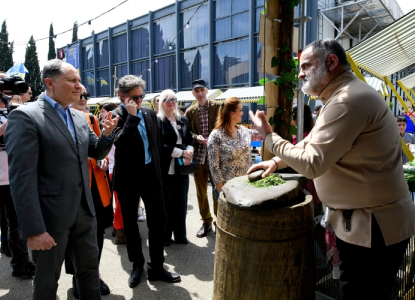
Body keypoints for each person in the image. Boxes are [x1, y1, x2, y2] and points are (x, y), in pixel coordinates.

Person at [248, 39, 415, 300]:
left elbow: (312, 164)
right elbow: (311, 141)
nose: (301, 73)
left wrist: (269, 138)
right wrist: (276, 162)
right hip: (367, 223)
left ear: (331, 62)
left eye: (306, 65)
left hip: (374, 227)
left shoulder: (347, 100)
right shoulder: (340, 95)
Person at [4, 59, 119, 300]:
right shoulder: (26, 117)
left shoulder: (79, 117)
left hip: (84, 214)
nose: (80, 86)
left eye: (79, 80)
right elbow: (22, 180)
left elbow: (95, 152)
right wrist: (34, 230)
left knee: (89, 273)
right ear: (50, 83)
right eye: (73, 81)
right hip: (50, 219)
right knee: (47, 283)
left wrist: (107, 136)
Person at [111, 75, 180, 289]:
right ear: (122, 96)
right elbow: (120, 142)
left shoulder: (150, 114)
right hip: (128, 179)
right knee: (131, 224)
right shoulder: (115, 116)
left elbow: (157, 147)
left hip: (151, 176)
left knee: (158, 221)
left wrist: (159, 174)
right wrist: (131, 117)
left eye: (142, 96)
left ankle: (157, 267)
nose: (140, 101)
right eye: (135, 97)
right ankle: (137, 265)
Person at [65, 85, 112, 298]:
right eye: (79, 95)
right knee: (74, 237)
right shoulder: (61, 120)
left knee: (98, 233)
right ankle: (78, 277)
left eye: (86, 95)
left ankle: (93, 274)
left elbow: (101, 150)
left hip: (96, 187)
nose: (84, 98)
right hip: (74, 188)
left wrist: (103, 159)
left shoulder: (92, 120)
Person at [0, 73, 35, 278]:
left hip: (15, 176)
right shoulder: (14, 112)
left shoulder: (15, 108)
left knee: (18, 225)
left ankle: (21, 264)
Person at [185, 79, 221, 238]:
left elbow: (224, 128)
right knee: (201, 192)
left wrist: (213, 137)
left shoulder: (218, 107)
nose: (199, 93)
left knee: (218, 190)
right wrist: (195, 136)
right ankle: (206, 221)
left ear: (207, 90)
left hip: (215, 156)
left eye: (201, 90)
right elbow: (188, 132)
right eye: (196, 91)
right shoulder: (190, 111)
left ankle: (219, 221)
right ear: (193, 93)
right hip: (199, 156)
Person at [158, 89, 194, 246]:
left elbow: (190, 140)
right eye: (167, 99)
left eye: (173, 99)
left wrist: (189, 153)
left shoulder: (183, 120)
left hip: (182, 168)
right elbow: (160, 145)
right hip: (166, 168)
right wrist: (181, 153)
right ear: (161, 103)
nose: (170, 102)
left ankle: (180, 235)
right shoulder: (158, 121)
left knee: (181, 202)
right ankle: (165, 236)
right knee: (166, 203)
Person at [207, 97, 260, 200]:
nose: (242, 113)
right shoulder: (216, 136)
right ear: (231, 114)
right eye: (240, 110)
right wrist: (222, 193)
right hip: (228, 190)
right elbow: (214, 168)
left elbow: (260, 137)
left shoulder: (244, 131)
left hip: (247, 186)